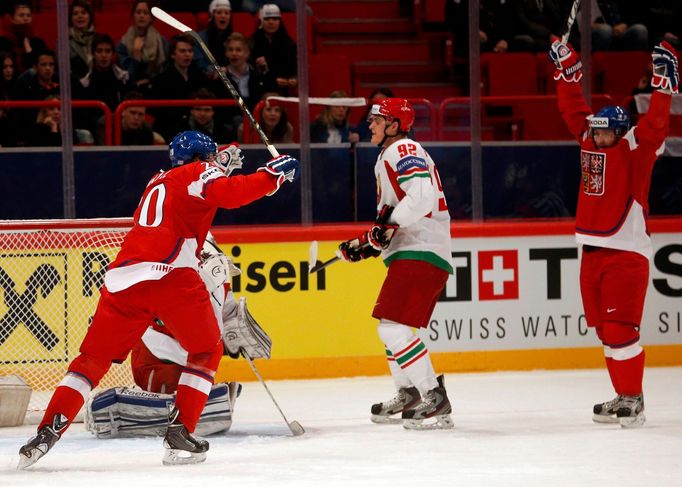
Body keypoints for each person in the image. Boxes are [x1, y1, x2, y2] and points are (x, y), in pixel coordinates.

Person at [17, 130, 300, 468]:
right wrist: (273, 176)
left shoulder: (158, 179)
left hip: (123, 280)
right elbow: (229, 193)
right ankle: (180, 432)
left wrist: (221, 161)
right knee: (207, 350)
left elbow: (198, 181)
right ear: (202, 160)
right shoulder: (198, 173)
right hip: (170, 276)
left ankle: (46, 433)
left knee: (91, 360)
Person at [549, 40, 677, 427]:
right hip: (591, 251)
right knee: (606, 332)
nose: (600, 138)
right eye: (597, 133)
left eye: (607, 133)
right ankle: (623, 395)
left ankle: (633, 399)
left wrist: (662, 84)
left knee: (621, 330)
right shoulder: (587, 142)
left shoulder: (637, 149)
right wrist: (567, 71)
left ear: (620, 132)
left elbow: (656, 123)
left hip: (626, 254)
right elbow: (572, 108)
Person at [336, 98, 454, 430]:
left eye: (377, 120)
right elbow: (393, 217)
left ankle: (432, 393)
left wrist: (383, 232)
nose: (369, 125)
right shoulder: (393, 153)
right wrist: (366, 243)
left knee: (392, 328)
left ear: (394, 125)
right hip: (415, 249)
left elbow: (421, 197)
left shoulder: (403, 149)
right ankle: (409, 391)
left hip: (422, 249)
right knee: (393, 327)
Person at [148, 34, 208, 142]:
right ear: (173, 54)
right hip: (170, 130)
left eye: (190, 51)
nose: (187, 55)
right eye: (183, 51)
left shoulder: (199, 77)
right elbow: (156, 111)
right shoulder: (162, 79)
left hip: (197, 125)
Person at [116, 0, 168, 90]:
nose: (141, 16)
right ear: (133, 16)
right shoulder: (123, 43)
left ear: (151, 17)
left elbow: (165, 70)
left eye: (146, 13)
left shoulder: (161, 41)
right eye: (138, 12)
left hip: (156, 86)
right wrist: (136, 56)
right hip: (131, 87)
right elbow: (125, 74)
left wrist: (150, 80)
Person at [248, 3, 297, 96]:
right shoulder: (252, 43)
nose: (271, 22)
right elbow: (248, 71)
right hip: (259, 91)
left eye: (275, 19)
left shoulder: (289, 44)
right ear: (261, 21)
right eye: (267, 19)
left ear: (280, 21)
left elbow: (296, 68)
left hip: (285, 92)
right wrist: (272, 81)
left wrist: (294, 79)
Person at [0, 1, 48, 74]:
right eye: (21, 15)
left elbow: (39, 69)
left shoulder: (38, 43)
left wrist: (27, 44)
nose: (26, 19)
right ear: (12, 19)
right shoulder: (3, 43)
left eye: (28, 15)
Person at [194, 0, 233, 74]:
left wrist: (228, 70)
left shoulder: (234, 38)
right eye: (219, 13)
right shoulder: (200, 38)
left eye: (227, 13)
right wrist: (214, 71)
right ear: (212, 16)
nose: (223, 16)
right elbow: (199, 61)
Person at [68, 0, 96, 79]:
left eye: (83, 13)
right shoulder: (64, 42)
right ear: (70, 19)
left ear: (90, 16)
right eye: (75, 13)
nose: (80, 16)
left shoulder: (98, 39)